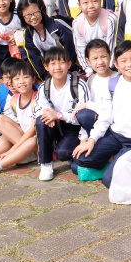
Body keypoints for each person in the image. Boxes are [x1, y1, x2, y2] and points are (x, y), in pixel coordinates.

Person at [70, 41, 131, 188]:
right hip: (115, 136)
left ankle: (125, 165)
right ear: (116, 64)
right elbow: (106, 114)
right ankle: (117, 161)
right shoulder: (114, 83)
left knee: (109, 180)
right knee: (80, 160)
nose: (129, 64)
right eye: (123, 61)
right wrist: (92, 140)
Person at [33, 47, 96, 181]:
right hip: (54, 124)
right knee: (41, 120)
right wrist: (48, 112)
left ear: (69, 64)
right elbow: (37, 108)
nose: (58, 67)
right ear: (46, 67)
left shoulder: (78, 85)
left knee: (63, 153)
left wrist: (58, 115)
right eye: (53, 63)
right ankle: (46, 163)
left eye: (62, 62)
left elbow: (83, 116)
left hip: (74, 127)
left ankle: (68, 150)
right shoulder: (44, 87)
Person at [18, 0, 76, 82]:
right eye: (28, 15)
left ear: (42, 10)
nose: (33, 17)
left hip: (71, 65)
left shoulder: (57, 26)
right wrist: (44, 79)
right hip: (52, 66)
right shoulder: (28, 33)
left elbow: (71, 49)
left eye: (36, 12)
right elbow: (34, 58)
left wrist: (67, 71)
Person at [72, 0, 117, 75]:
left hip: (110, 66)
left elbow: (112, 48)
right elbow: (80, 49)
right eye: (85, 3)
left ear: (100, 1)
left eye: (95, 1)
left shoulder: (110, 19)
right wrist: (89, 71)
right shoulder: (77, 23)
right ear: (79, 5)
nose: (91, 6)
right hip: (92, 67)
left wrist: (106, 70)